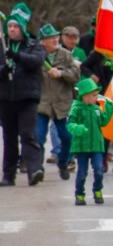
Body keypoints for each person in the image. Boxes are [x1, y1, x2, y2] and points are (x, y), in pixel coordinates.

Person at [0, 7, 45, 186]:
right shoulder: (2, 45)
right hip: (5, 98)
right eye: (9, 26)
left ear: (23, 28)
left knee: (27, 134)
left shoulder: (33, 45)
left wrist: (18, 57)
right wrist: (3, 71)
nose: (12, 29)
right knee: (9, 137)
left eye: (16, 26)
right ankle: (8, 174)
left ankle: (34, 169)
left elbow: (37, 62)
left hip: (27, 97)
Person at [35, 24, 80, 180]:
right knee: (38, 138)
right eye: (50, 38)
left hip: (62, 103)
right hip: (43, 102)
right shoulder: (38, 55)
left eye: (56, 37)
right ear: (43, 42)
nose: (55, 40)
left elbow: (76, 75)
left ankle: (63, 163)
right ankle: (37, 168)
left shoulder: (65, 55)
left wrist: (61, 73)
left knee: (66, 137)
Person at [67, 78, 113, 205]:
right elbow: (70, 123)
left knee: (99, 169)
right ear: (85, 96)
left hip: (96, 145)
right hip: (82, 147)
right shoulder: (76, 108)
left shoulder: (97, 109)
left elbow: (104, 121)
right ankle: (79, 194)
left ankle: (97, 190)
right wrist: (78, 129)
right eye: (94, 95)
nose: (97, 98)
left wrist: (109, 108)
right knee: (82, 172)